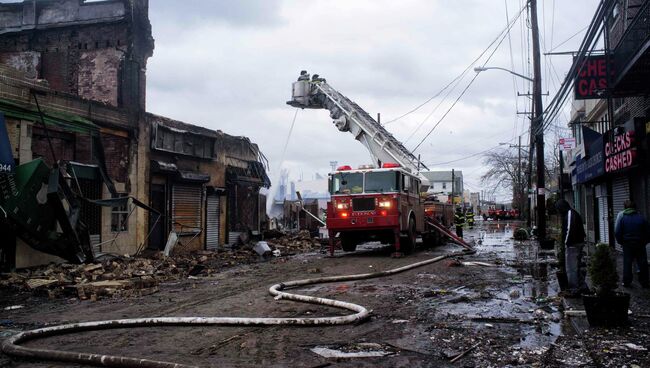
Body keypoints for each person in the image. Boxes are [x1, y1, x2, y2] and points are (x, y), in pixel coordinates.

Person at [614, 200, 650, 288]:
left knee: (627, 263)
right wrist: (644, 242)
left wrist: (620, 242)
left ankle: (627, 281)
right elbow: (648, 232)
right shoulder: (641, 218)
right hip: (640, 244)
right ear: (635, 208)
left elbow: (618, 232)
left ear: (625, 208)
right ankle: (644, 282)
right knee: (642, 263)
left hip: (627, 244)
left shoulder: (623, 218)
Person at [555, 199, 587, 293]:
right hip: (577, 242)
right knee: (576, 266)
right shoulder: (573, 213)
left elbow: (569, 229)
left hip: (572, 244)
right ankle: (581, 286)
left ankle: (574, 289)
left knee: (571, 267)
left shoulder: (569, 214)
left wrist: (565, 243)